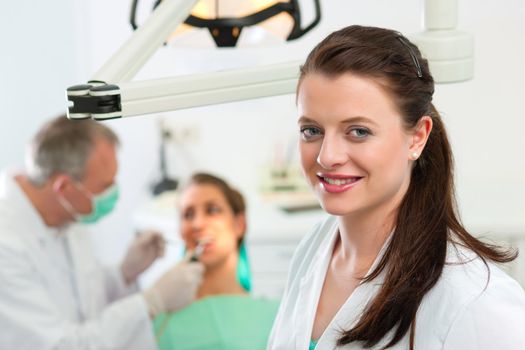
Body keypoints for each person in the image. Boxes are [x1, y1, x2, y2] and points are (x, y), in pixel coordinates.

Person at [268, 25, 525, 350]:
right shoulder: (313, 249)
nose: (327, 156)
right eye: (311, 130)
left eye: (358, 131)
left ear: (417, 137)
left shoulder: (474, 302)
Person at [0, 115, 204, 350]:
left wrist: (124, 273)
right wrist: (152, 302)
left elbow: (82, 298)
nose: (114, 193)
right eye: (105, 187)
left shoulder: (69, 214)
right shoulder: (6, 246)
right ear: (64, 187)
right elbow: (61, 345)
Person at [153, 173, 279, 350]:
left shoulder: (277, 317)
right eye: (188, 214)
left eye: (212, 210)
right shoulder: (160, 325)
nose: (197, 224)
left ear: (240, 224)